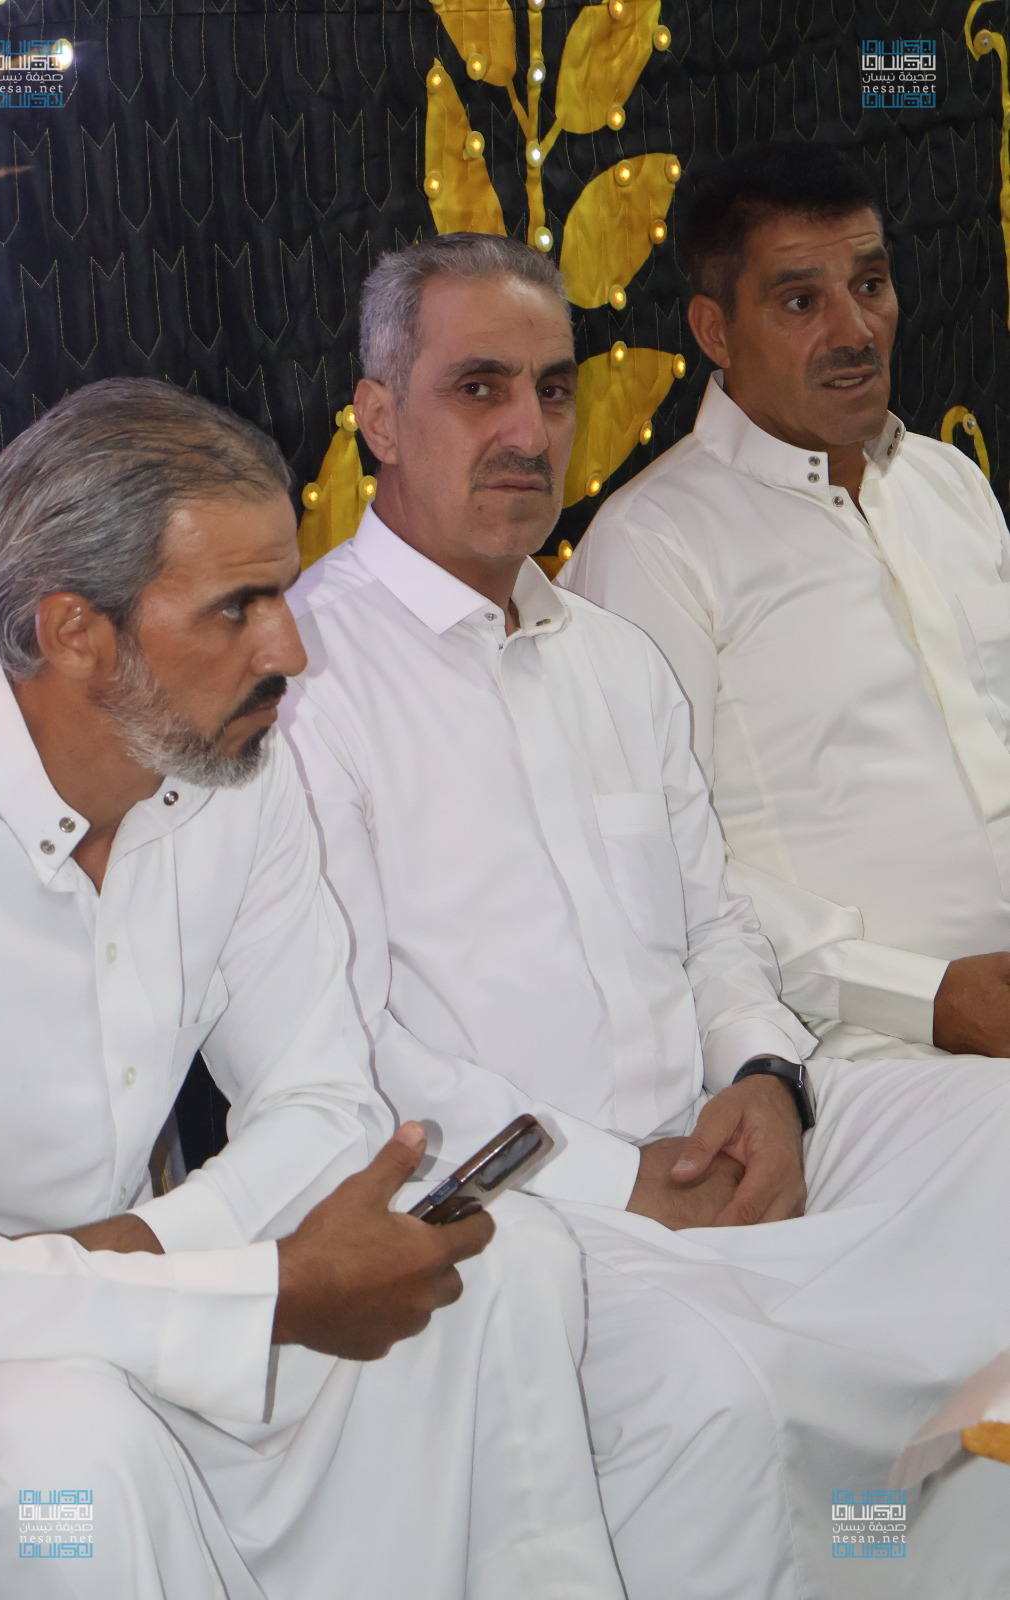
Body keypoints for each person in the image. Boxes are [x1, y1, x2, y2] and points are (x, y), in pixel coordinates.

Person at [285, 231, 1010, 1600]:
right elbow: (348, 1050)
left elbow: (716, 928)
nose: (526, 431)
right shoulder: (312, 682)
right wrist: (618, 1181)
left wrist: (766, 1081)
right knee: (715, 1387)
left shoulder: (609, 663)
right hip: (522, 1203)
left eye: (552, 389)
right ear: (377, 415)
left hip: (721, 1138)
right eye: (479, 388)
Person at [0, 378, 627, 1600]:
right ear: (73, 630)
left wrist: (163, 1256)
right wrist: (251, 1294)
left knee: (503, 1262)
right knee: (70, 1474)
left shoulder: (234, 779)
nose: (293, 650)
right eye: (239, 608)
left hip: (156, 1295)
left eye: (288, 591)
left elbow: (320, 1101)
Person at [561, 139, 1010, 1064]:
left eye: (871, 285)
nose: (855, 330)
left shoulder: (948, 483)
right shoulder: (655, 543)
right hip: (863, 1049)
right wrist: (923, 998)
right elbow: (659, 864)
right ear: (715, 331)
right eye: (801, 302)